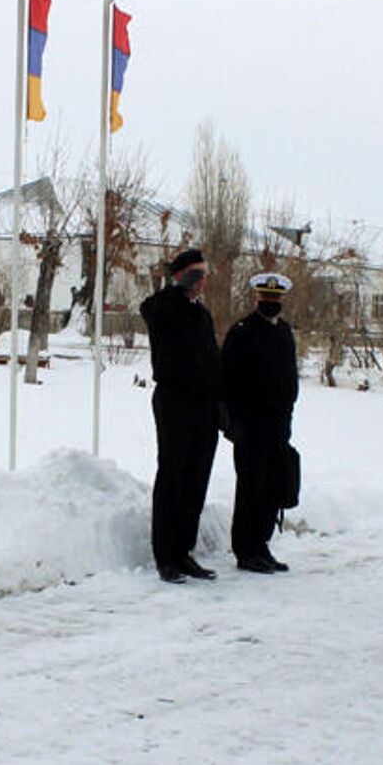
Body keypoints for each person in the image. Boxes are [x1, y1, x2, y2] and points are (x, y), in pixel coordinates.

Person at [139, 249, 224, 583]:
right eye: (196, 274)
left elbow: (212, 360)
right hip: (175, 401)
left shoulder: (201, 315)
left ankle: (184, 551)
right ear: (181, 275)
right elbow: (150, 309)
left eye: (203, 274)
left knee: (196, 478)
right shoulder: (165, 308)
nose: (202, 280)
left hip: (204, 405)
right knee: (173, 476)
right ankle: (166, 556)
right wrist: (177, 286)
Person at [221, 272, 298, 574]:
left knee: (271, 487)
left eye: (275, 299)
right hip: (250, 426)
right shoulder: (242, 332)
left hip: (278, 425)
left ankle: (261, 545)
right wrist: (234, 424)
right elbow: (227, 381)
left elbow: (289, 379)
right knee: (250, 488)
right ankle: (245, 549)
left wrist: (288, 416)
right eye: (266, 299)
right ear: (256, 299)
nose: (271, 303)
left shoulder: (284, 332)